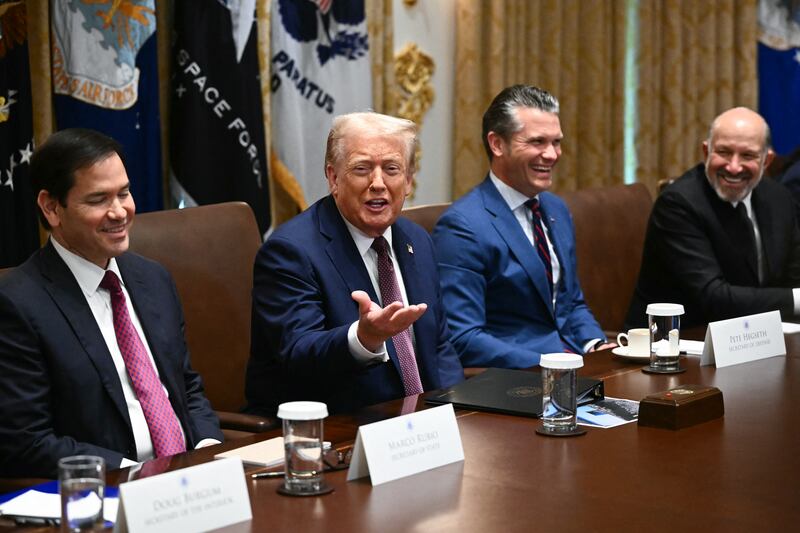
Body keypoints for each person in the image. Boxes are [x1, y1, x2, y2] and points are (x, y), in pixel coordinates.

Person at [0, 129, 222, 479]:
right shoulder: (17, 304)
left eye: (124, 193)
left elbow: (186, 388)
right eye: (98, 200)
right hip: (106, 487)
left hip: (189, 481)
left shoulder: (153, 279)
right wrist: (132, 473)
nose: (119, 212)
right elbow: (26, 440)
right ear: (52, 207)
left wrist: (209, 451)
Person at [245, 112, 464, 415]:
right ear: (334, 177)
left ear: (408, 180)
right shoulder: (290, 251)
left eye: (391, 169)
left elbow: (439, 347)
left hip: (420, 426)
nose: (378, 183)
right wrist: (363, 339)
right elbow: (297, 354)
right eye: (362, 169)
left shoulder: (417, 239)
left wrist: (459, 412)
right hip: (336, 425)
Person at [431, 85, 610, 369]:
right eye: (537, 142)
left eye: (556, 142)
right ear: (497, 144)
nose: (552, 154)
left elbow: (571, 303)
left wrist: (596, 345)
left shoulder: (557, 209)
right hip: (521, 377)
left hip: (576, 366)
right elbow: (463, 337)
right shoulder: (463, 226)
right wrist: (549, 364)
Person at [626, 107, 800, 329]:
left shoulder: (778, 198)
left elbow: (794, 278)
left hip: (755, 335)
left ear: (766, 161)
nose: (734, 167)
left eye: (747, 155)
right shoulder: (678, 204)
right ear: (706, 151)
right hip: (678, 340)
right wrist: (796, 300)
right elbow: (713, 297)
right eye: (724, 152)